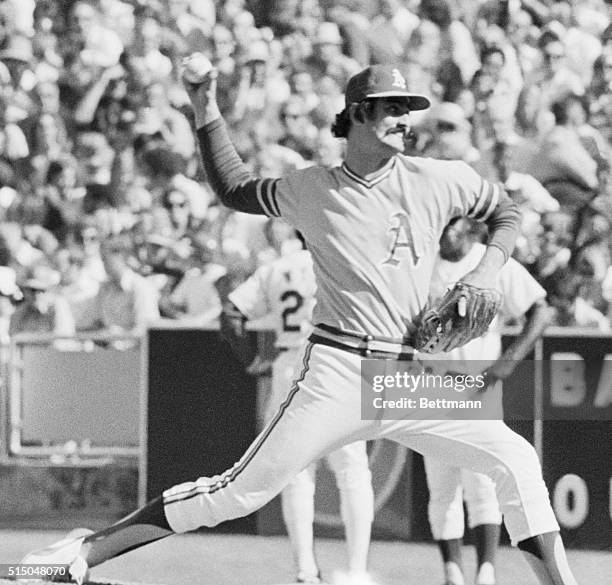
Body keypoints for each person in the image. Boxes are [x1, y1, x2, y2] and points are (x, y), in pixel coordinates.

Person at [22, 63, 581, 585]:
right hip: (338, 368)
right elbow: (233, 188)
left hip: (405, 374)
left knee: (515, 457)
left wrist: (486, 270)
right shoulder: (311, 189)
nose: (404, 118)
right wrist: (205, 108)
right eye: (390, 107)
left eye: (408, 108)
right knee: (236, 494)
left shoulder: (440, 178)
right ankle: (79, 554)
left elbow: (505, 210)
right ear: (358, 113)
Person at [221, 228, 374, 584]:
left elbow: (230, 315)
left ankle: (305, 569)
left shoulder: (279, 267)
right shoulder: (348, 261)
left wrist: (251, 359)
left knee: (297, 474)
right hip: (340, 364)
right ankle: (356, 569)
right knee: (352, 471)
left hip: (290, 365)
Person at [421, 218, 551, 585]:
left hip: (477, 381)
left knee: (481, 481)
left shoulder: (491, 262)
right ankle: (452, 574)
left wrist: (507, 362)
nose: (444, 230)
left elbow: (541, 309)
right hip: (431, 382)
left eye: (451, 222)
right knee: (441, 483)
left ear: (467, 226)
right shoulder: (423, 261)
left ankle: (486, 573)